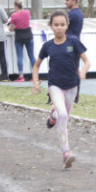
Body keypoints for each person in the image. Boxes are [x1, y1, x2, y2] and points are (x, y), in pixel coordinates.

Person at [32, 10, 90, 169]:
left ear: (67, 25)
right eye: (56, 25)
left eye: (62, 25)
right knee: (63, 116)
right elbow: (36, 66)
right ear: (50, 26)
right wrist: (36, 82)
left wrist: (83, 72)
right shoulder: (48, 46)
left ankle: (53, 115)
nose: (59, 28)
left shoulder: (74, 42)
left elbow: (86, 61)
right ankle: (66, 153)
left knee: (63, 116)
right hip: (55, 85)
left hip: (72, 86)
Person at [8, 0, 34, 82]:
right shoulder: (27, 12)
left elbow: (12, 28)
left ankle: (21, 76)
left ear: (16, 6)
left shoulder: (14, 15)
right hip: (28, 35)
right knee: (32, 56)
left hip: (19, 36)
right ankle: (35, 75)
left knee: (20, 56)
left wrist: (10, 28)